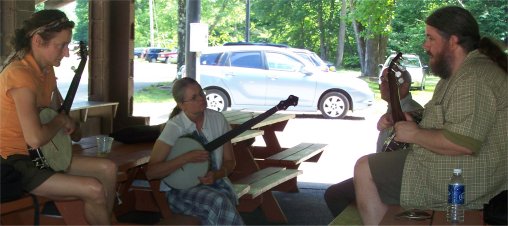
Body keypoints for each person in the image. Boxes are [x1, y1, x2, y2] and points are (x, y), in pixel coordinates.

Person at [353, 5, 507, 225]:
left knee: (364, 169)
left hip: (465, 177)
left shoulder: (474, 78)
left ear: (452, 41)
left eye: (430, 38)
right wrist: (411, 118)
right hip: (453, 166)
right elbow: (450, 117)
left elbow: (463, 143)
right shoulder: (458, 74)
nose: (425, 45)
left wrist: (414, 135)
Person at [0, 10, 117, 225]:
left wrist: (70, 124)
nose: (66, 53)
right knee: (93, 189)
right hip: (15, 162)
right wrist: (60, 122)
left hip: (41, 156)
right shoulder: (20, 74)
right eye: (61, 45)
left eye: (67, 45)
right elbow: (35, 138)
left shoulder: (45, 73)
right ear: (37, 41)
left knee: (107, 169)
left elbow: (62, 120)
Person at [145, 77, 244, 225]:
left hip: (216, 184)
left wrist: (217, 174)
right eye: (194, 97)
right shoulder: (175, 127)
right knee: (218, 201)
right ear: (181, 105)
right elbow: (151, 172)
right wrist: (186, 158)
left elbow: (230, 162)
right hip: (181, 191)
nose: (201, 99)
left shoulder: (217, 119)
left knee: (221, 200)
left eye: (201, 93)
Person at [324, 69, 423, 217]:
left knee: (335, 194)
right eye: (381, 79)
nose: (381, 85)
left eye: (387, 81)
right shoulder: (394, 110)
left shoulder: (412, 112)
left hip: (400, 180)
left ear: (404, 86)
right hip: (386, 176)